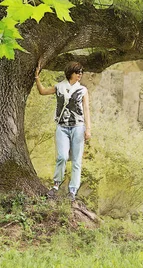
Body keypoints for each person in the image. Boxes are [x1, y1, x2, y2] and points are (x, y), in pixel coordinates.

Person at [35, 61, 91, 202]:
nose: (80, 74)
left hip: (78, 127)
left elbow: (86, 109)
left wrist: (88, 129)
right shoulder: (59, 87)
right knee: (62, 157)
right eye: (78, 72)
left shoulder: (83, 90)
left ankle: (73, 190)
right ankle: (55, 185)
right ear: (71, 73)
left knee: (77, 160)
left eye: (81, 72)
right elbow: (42, 91)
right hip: (62, 126)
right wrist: (37, 78)